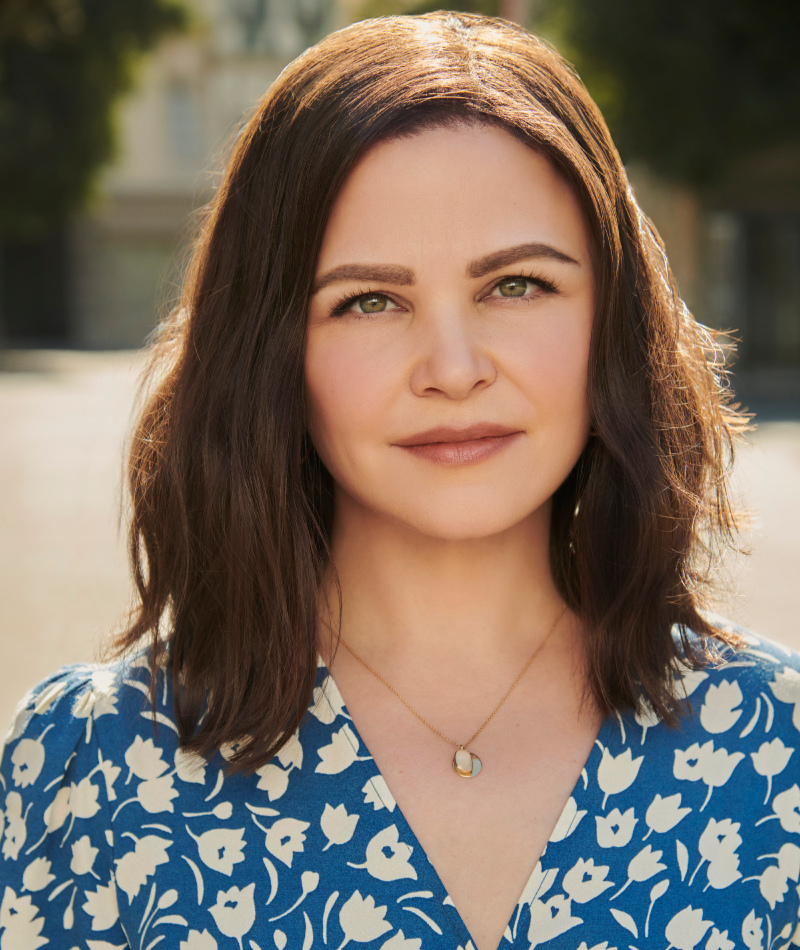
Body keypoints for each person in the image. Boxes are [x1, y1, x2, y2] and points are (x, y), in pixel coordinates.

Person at [1, 10, 798, 950]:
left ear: (612, 321)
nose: (453, 368)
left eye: (516, 286)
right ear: (271, 351)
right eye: (368, 301)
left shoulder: (776, 751)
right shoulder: (96, 766)